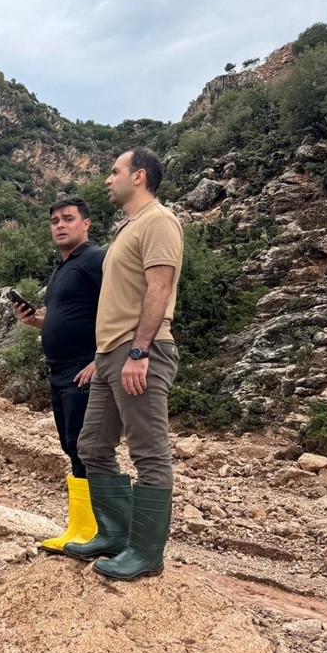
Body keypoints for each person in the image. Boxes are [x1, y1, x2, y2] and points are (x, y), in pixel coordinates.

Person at [63, 148, 183, 580]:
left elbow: (160, 287)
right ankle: (115, 535)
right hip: (110, 358)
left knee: (149, 454)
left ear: (139, 176)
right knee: (91, 445)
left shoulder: (159, 221)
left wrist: (139, 352)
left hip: (140, 353)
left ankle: (147, 554)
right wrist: (104, 358)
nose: (107, 179)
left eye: (114, 171)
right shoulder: (128, 228)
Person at [10, 197, 104, 552]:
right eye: (54, 221)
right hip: (60, 371)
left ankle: (100, 532)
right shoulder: (62, 268)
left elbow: (128, 304)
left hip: (85, 369)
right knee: (72, 446)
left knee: (89, 449)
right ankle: (80, 528)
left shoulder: (95, 258)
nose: (60, 225)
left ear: (86, 223)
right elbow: (71, 318)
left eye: (68, 218)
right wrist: (35, 320)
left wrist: (102, 360)